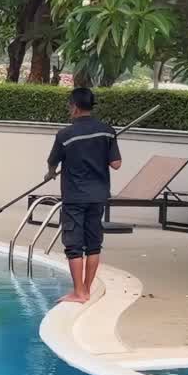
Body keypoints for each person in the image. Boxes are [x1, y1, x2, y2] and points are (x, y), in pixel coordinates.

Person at [45, 87, 122, 303]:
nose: (69, 109)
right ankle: (86, 289)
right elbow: (116, 164)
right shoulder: (107, 131)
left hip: (75, 196)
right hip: (98, 195)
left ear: (76, 107)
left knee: (74, 245)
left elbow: (53, 162)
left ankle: (79, 292)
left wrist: (50, 173)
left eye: (70, 105)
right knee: (94, 243)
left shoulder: (65, 135)